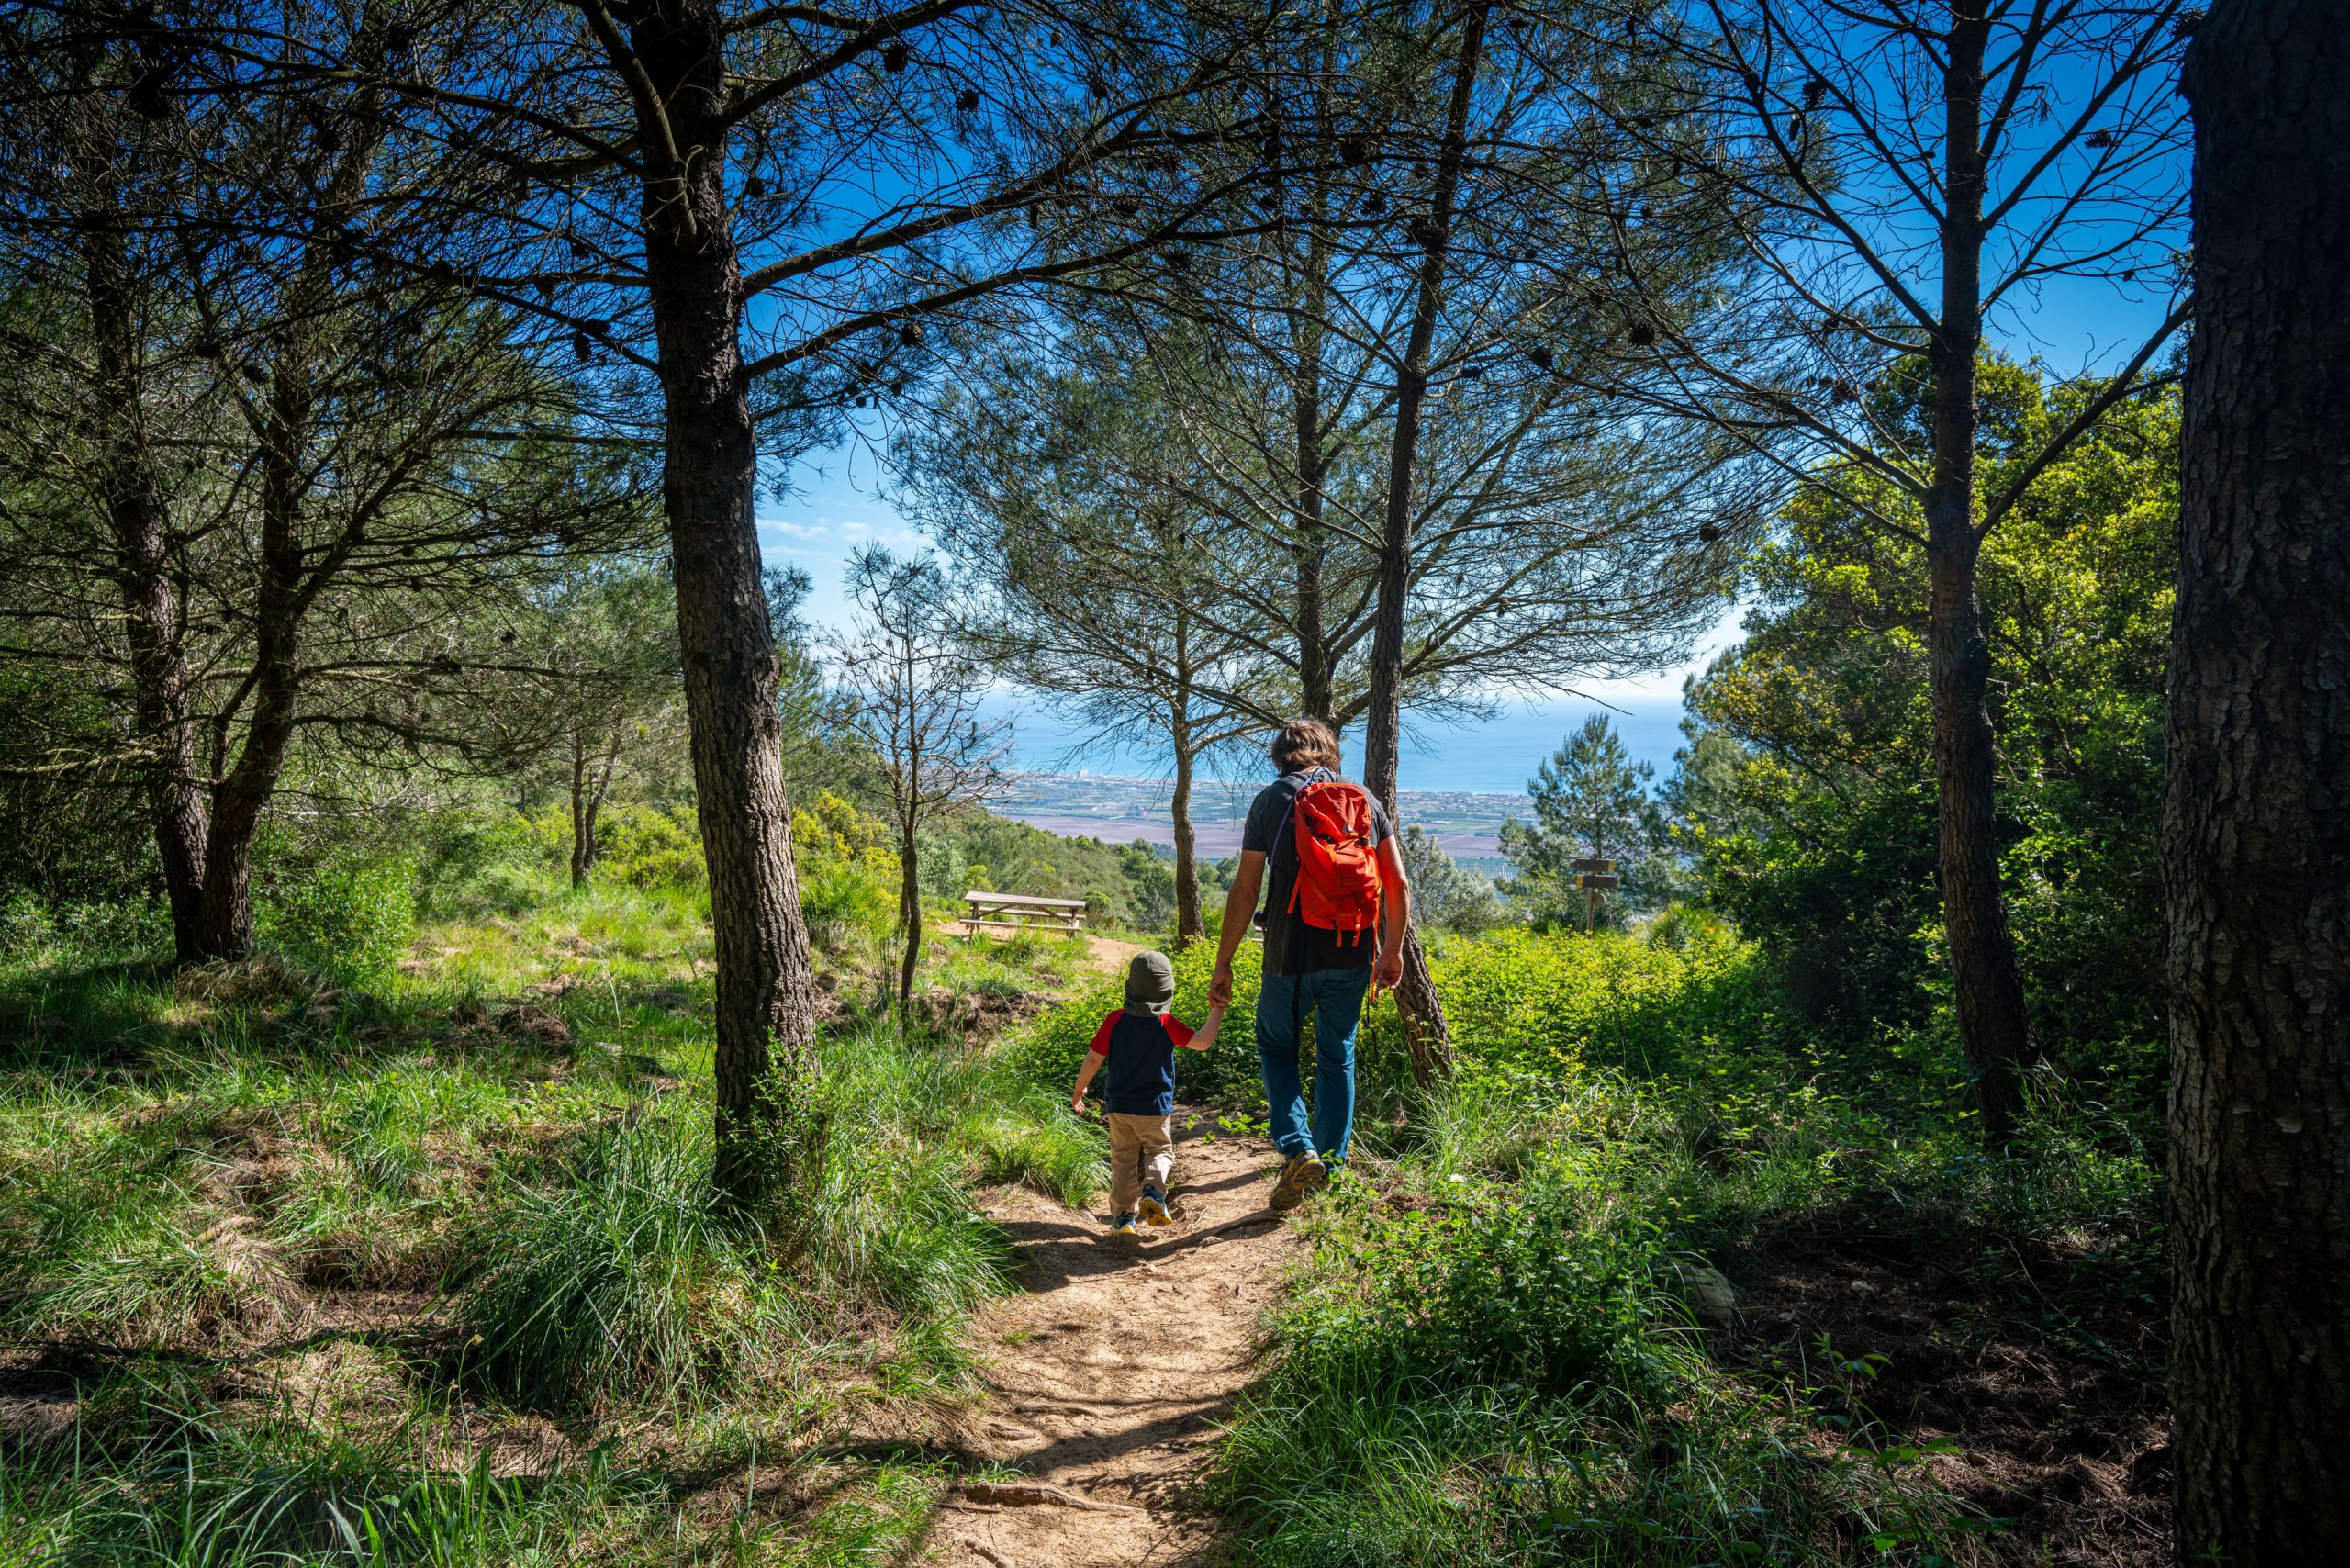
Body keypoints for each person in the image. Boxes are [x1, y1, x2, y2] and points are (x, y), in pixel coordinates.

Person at [1208, 717, 1410, 1211]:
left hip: (1288, 955)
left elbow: (1246, 888)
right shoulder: (1363, 799)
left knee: (1278, 1048)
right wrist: (1392, 950)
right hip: (1353, 950)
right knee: (1337, 1054)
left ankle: (1299, 1151)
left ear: (1281, 756)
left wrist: (1224, 961)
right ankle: (1332, 1169)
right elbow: (1398, 885)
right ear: (1329, 753)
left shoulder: (1271, 800)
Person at [1071, 950, 1225, 1237]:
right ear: (1168, 990)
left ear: (1129, 987)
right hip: (1154, 1108)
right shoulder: (1165, 1023)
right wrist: (1218, 1008)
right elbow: (1202, 1042)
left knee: (1123, 1160)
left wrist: (1080, 1089)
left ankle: (1123, 1219)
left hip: (1119, 1107)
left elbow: (1094, 1058)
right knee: (1160, 1150)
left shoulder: (1115, 1020)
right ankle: (1153, 1188)